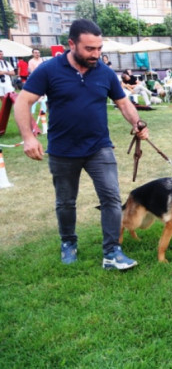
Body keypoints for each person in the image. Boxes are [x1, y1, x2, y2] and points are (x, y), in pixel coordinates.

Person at [13, 19, 149, 270]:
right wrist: (29, 137)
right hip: (63, 151)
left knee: (111, 197)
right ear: (71, 44)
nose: (96, 54)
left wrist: (137, 123)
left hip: (99, 147)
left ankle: (112, 252)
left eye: (99, 48)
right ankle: (68, 242)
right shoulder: (49, 70)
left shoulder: (105, 72)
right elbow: (22, 102)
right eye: (90, 49)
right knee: (66, 202)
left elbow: (123, 102)